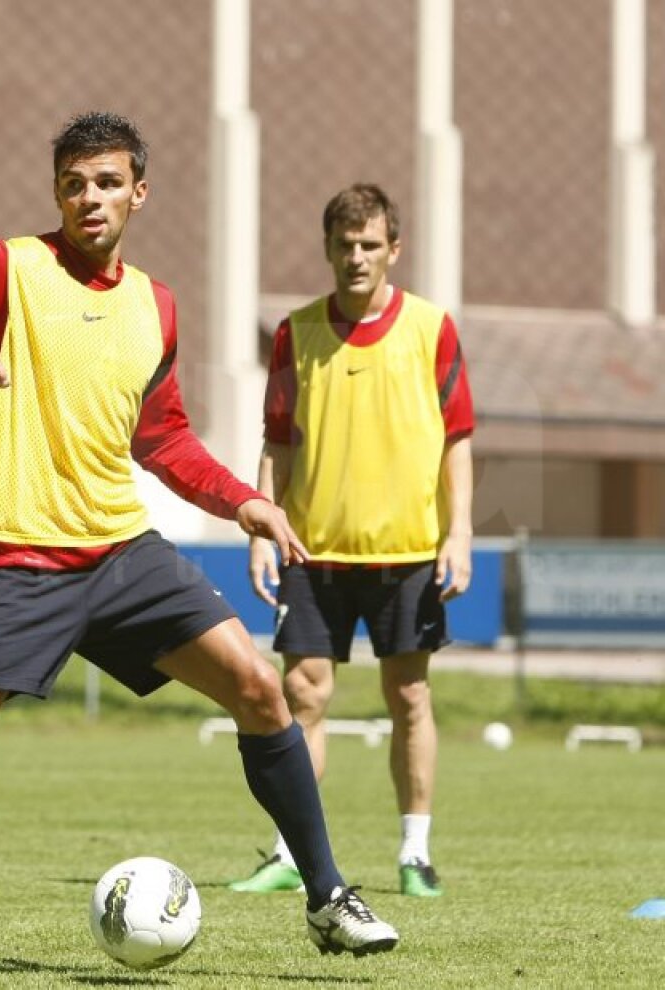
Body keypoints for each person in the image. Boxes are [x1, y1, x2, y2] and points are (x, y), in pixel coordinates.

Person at [0, 112, 398, 986]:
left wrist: (246, 501)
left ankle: (328, 897)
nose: (89, 198)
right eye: (73, 184)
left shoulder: (156, 306)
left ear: (138, 192)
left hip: (120, 554)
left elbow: (164, 439)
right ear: (57, 194)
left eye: (107, 183)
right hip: (14, 555)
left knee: (261, 690)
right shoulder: (3, 269)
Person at [228, 183, 474, 900]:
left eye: (370, 244)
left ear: (394, 249)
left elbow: (457, 439)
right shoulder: (295, 332)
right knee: (301, 694)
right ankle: (289, 854)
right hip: (312, 551)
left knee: (409, 696)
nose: (357, 257)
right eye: (345, 245)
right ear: (328, 250)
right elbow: (277, 442)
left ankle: (415, 853)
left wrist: (459, 532)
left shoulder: (432, 328)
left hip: (408, 551)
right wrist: (261, 528)